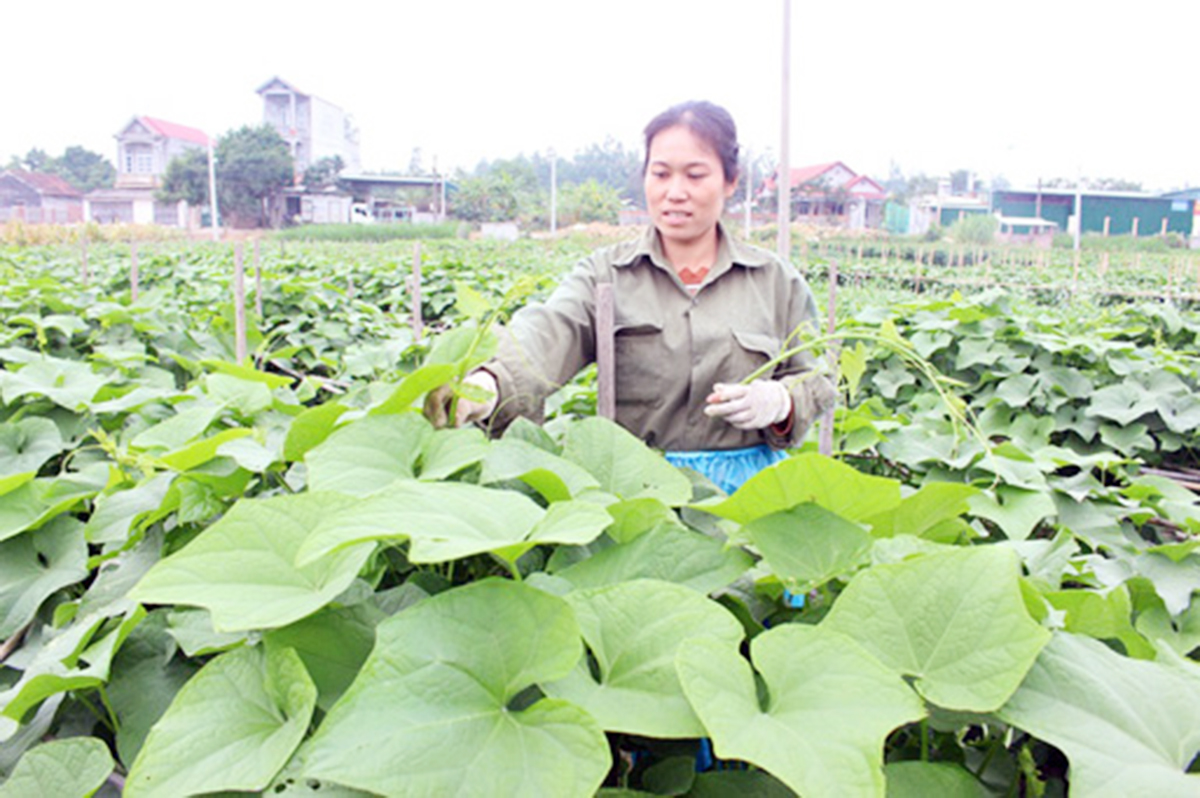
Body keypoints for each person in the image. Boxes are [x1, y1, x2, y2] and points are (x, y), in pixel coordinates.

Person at [443, 100, 836, 495]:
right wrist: (489, 382)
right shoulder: (606, 274)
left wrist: (782, 402)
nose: (675, 193)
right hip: (636, 491)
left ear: (730, 181)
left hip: (747, 496)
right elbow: (550, 330)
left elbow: (816, 375)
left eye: (695, 175)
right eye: (660, 174)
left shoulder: (775, 282)